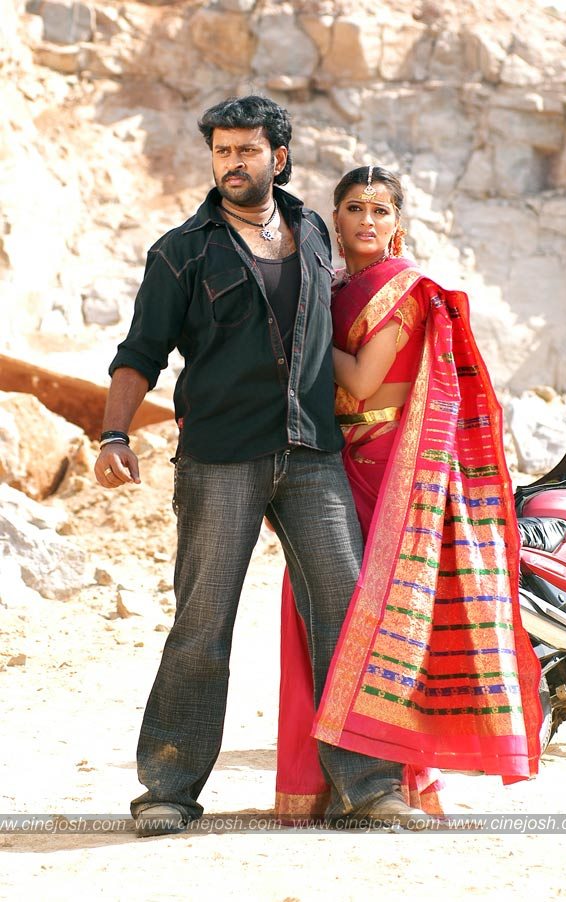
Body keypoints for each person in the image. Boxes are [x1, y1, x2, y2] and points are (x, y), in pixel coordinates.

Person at [94, 97, 441, 837]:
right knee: (203, 622)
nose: (233, 163)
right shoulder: (181, 252)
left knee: (345, 615)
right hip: (221, 456)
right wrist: (113, 434)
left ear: (278, 158)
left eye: (246, 150)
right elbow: (139, 352)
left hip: (313, 454)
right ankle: (167, 789)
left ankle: (368, 789)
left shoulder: (312, 230)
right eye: (222, 151)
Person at [275, 165, 543, 822]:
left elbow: (363, 382)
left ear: (398, 223)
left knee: (381, 619)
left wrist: (299, 333)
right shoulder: (333, 287)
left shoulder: (405, 288)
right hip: (334, 462)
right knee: (309, 610)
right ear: (334, 220)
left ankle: (394, 781)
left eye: (381, 210)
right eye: (354, 208)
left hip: (391, 467)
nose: (367, 220)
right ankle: (323, 789)